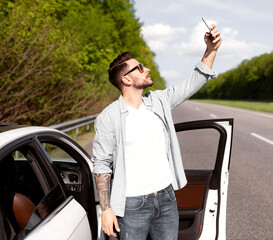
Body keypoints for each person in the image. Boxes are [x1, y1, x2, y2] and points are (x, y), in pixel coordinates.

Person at [92, 24, 222, 240]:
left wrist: (211, 50)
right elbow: (101, 165)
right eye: (139, 68)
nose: (147, 68)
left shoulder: (158, 101)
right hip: (131, 204)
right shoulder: (109, 117)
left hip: (166, 197)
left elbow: (194, 81)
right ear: (126, 79)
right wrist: (106, 210)